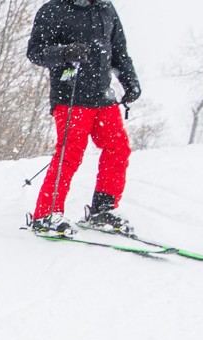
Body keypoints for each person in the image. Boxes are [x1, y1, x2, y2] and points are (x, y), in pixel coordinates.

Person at [23, 0, 141, 237]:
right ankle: (45, 215)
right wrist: (64, 52)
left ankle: (102, 210)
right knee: (70, 154)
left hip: (102, 96)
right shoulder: (53, 9)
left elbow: (118, 51)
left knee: (118, 148)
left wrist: (130, 82)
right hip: (70, 95)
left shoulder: (105, 9)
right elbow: (35, 52)